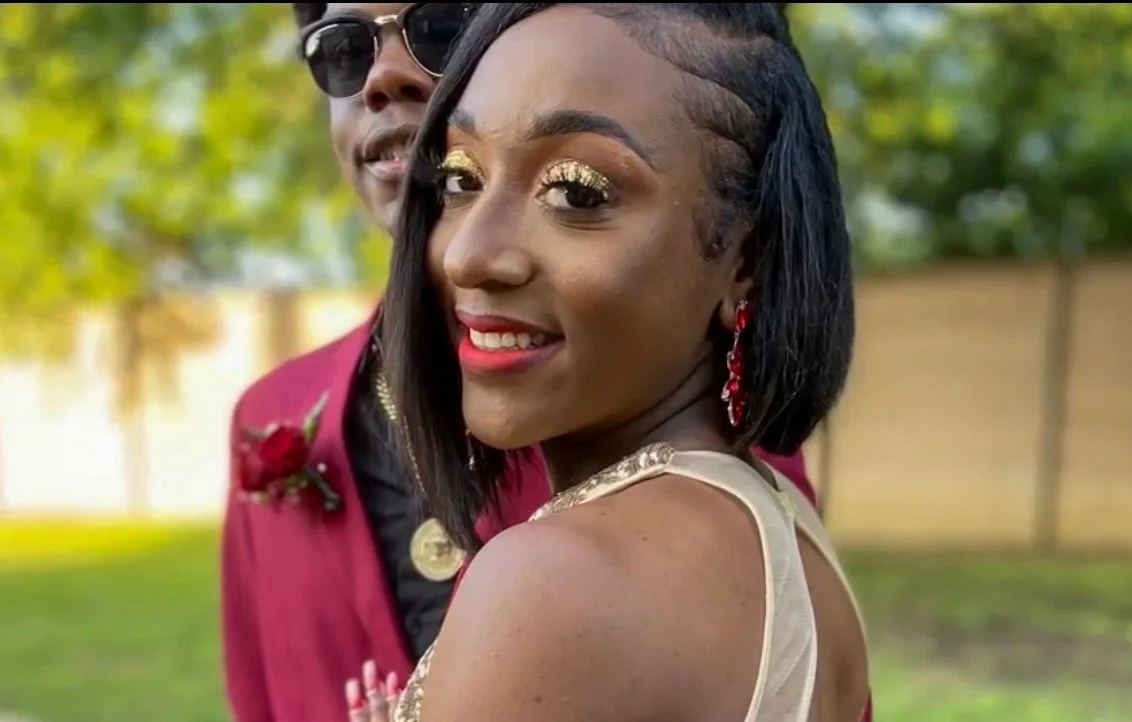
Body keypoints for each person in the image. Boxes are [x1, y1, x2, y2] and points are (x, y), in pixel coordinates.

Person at [219, 4, 819, 721]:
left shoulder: (695, 413)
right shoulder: (272, 415)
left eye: (440, 27)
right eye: (343, 49)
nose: (383, 77)